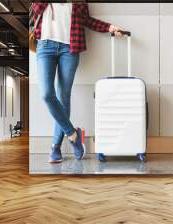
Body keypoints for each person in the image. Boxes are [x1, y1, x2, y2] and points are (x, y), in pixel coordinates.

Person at [31, 2, 124, 163]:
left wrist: (109, 27)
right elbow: (35, 9)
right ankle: (74, 135)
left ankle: (55, 147)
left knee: (63, 96)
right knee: (46, 94)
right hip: (45, 46)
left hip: (69, 49)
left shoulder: (79, 2)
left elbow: (86, 20)